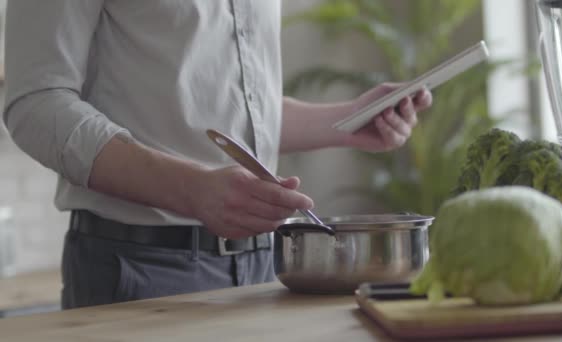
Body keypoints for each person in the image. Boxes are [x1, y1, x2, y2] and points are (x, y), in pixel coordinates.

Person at [2, 1, 432, 309]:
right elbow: (36, 103)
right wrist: (192, 190)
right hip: (139, 269)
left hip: (264, 269)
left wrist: (349, 120)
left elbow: (226, 109)